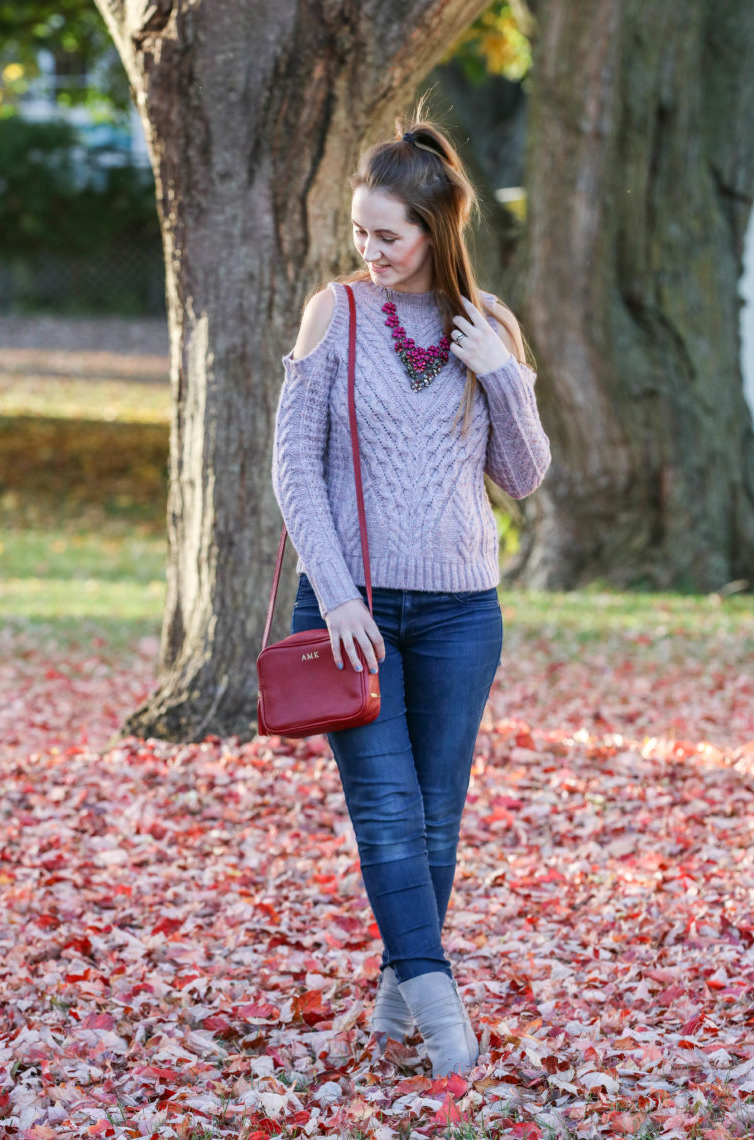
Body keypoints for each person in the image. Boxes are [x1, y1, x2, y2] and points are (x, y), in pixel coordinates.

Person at [271, 113, 551, 1077]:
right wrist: (337, 592)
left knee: (438, 814)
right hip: (352, 614)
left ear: (438, 228)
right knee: (388, 812)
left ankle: (397, 1004)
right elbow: (294, 467)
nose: (370, 251)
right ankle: (442, 1013)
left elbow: (522, 476)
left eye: (388, 235)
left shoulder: (491, 327)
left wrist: (504, 377)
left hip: (462, 612)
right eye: (360, 232)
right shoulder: (334, 314)